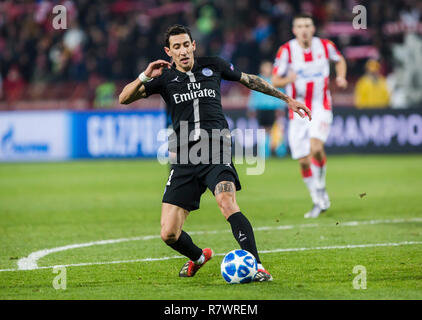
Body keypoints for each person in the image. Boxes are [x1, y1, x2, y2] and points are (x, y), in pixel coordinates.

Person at [119, 25, 311, 281]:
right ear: (168, 51)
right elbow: (124, 98)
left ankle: (258, 266)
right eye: (176, 47)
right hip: (185, 157)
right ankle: (199, 257)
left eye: (186, 44)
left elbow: (251, 80)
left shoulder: (214, 66)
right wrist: (145, 75)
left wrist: (287, 99)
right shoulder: (164, 79)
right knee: (169, 234)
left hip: (216, 149)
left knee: (227, 202)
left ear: (193, 45)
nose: (183, 51)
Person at [271, 14, 347, 218]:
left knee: (316, 148)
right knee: (304, 161)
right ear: (294, 30)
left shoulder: (325, 45)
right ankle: (317, 200)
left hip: (321, 106)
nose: (304, 29)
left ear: (313, 28)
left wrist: (340, 77)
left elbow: (339, 61)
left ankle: (321, 188)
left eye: (307, 25)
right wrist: (290, 78)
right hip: (297, 111)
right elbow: (275, 80)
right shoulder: (286, 50)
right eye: (299, 26)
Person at [247, 61, 287, 158]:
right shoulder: (257, 80)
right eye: (266, 67)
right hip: (261, 109)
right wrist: (251, 107)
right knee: (263, 131)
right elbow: (254, 95)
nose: (268, 69)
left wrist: (281, 106)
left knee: (277, 130)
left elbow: (280, 94)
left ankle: (280, 152)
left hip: (274, 109)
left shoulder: (275, 80)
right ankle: (264, 153)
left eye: (269, 67)